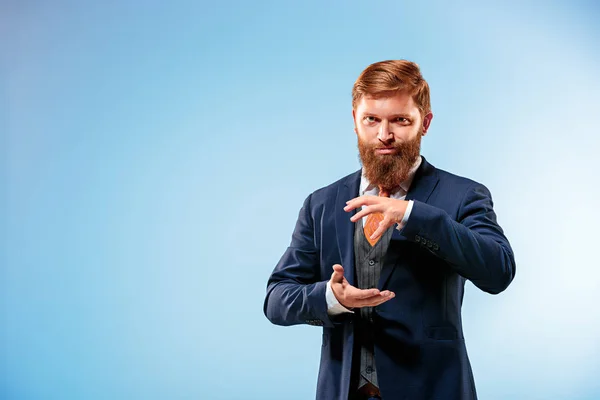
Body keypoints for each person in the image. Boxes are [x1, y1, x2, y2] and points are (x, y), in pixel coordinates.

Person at [263, 60, 516, 400]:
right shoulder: (321, 203)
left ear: (424, 123)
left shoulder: (463, 195)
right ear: (355, 121)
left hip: (433, 390)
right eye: (372, 120)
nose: (384, 135)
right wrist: (331, 298)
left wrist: (413, 214)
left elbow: (498, 271)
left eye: (400, 120)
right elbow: (277, 298)